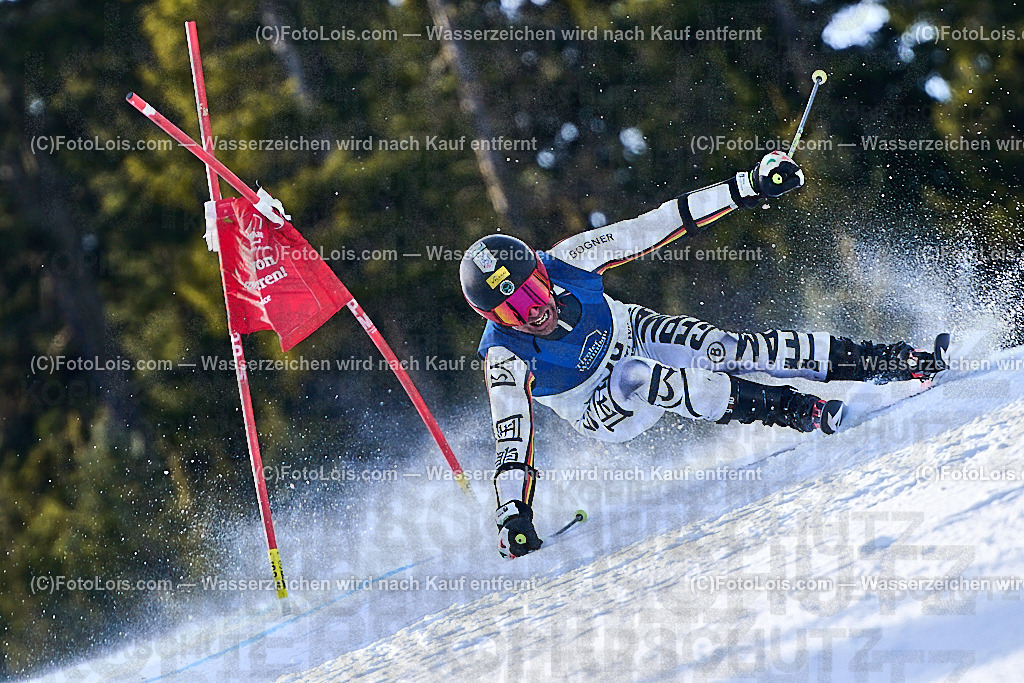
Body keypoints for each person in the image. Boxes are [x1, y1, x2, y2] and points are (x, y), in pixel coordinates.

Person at [459, 151, 947, 558]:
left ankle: (895, 361)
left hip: (630, 330)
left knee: (732, 349)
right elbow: (512, 440)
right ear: (495, 319)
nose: (533, 312)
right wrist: (512, 515)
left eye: (532, 292)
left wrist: (748, 184)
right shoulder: (504, 356)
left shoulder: (570, 257)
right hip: (597, 404)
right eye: (513, 311)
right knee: (639, 376)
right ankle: (800, 411)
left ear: (542, 272)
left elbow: (658, 224)